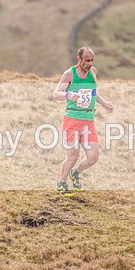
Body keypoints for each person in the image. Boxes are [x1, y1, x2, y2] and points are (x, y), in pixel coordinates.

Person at [52, 46, 114, 194]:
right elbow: (56, 93)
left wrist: (104, 103)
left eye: (92, 60)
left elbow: (92, 92)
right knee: (73, 156)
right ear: (79, 59)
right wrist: (68, 95)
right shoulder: (69, 74)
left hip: (88, 122)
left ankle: (76, 173)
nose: (90, 64)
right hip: (72, 120)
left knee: (93, 157)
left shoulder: (93, 72)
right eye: (87, 60)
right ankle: (61, 183)